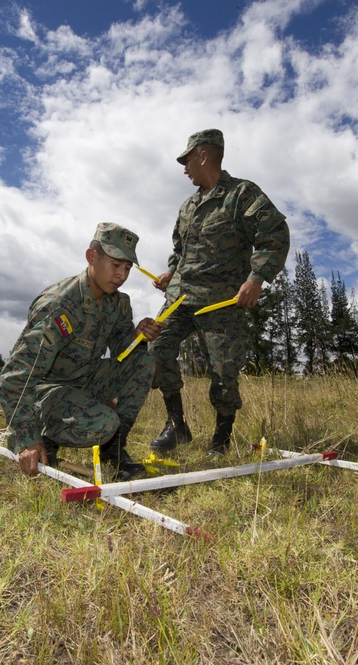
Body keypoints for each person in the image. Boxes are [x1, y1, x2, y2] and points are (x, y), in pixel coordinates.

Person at [149, 129, 290, 456]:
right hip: (181, 299)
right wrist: (171, 272)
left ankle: (221, 440)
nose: (184, 168)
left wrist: (256, 278)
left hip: (220, 303)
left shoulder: (242, 194)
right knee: (154, 349)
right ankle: (177, 424)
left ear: (203, 156)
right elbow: (179, 250)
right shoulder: (187, 208)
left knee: (224, 373)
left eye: (187, 160)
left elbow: (275, 236)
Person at [0, 223, 164, 479]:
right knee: (105, 423)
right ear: (91, 257)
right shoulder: (60, 305)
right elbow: (14, 378)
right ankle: (46, 434)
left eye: (127, 268)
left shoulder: (118, 303)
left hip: (85, 380)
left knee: (144, 361)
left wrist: (137, 336)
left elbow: (122, 349)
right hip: (48, 391)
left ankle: (114, 450)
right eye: (115, 265)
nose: (121, 275)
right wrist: (26, 438)